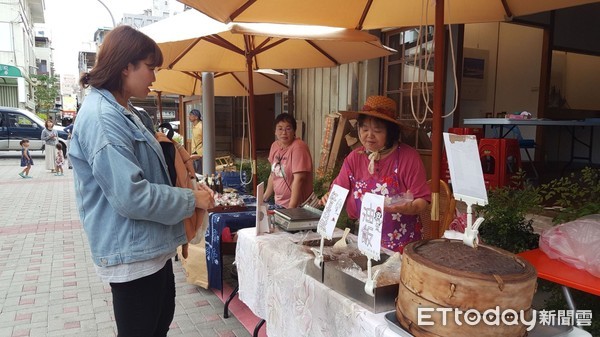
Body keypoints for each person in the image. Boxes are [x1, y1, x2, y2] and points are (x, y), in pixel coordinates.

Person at [68, 25, 215, 337]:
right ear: (125, 67)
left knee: (158, 324)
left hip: (149, 249)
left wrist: (188, 185)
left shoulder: (125, 111)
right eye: (150, 67)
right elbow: (131, 196)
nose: (154, 77)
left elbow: (151, 173)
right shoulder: (103, 119)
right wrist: (191, 199)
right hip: (132, 257)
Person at [320, 96, 430, 253]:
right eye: (364, 129)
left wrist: (409, 207)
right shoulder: (354, 158)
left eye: (377, 130)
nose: (369, 135)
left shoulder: (408, 157)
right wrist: (330, 196)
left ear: (390, 132)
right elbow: (339, 188)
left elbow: (422, 200)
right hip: (364, 239)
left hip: (400, 246)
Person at [263, 113, 313, 208]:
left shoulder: (298, 147)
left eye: (288, 128)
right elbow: (273, 174)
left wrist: (291, 209)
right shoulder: (275, 146)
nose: (284, 133)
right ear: (275, 131)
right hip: (279, 203)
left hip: (296, 206)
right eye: (280, 128)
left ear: (294, 131)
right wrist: (264, 197)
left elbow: (299, 179)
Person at [188, 109, 203, 174]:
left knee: (199, 173)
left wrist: (201, 154)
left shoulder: (201, 126)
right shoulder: (194, 126)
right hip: (194, 152)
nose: (189, 116)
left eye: (191, 115)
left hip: (200, 153)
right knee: (194, 173)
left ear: (196, 117)